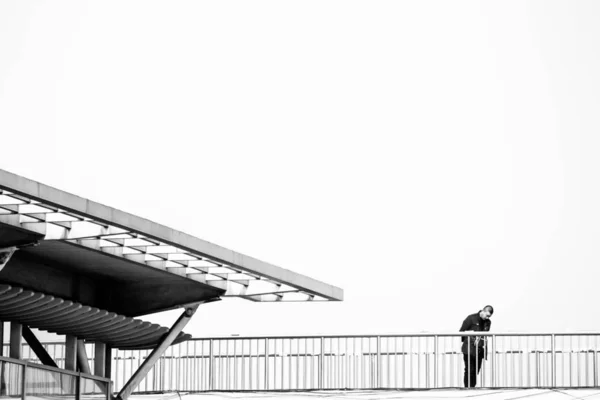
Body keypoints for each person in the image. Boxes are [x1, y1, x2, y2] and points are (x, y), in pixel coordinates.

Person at [459, 305, 493, 388]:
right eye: (487, 315)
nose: (487, 318)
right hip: (469, 349)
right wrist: (470, 340)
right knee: (469, 370)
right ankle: (467, 388)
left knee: (476, 370)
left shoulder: (488, 322)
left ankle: (472, 387)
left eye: (489, 317)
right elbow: (461, 332)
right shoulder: (471, 318)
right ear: (483, 311)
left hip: (480, 349)